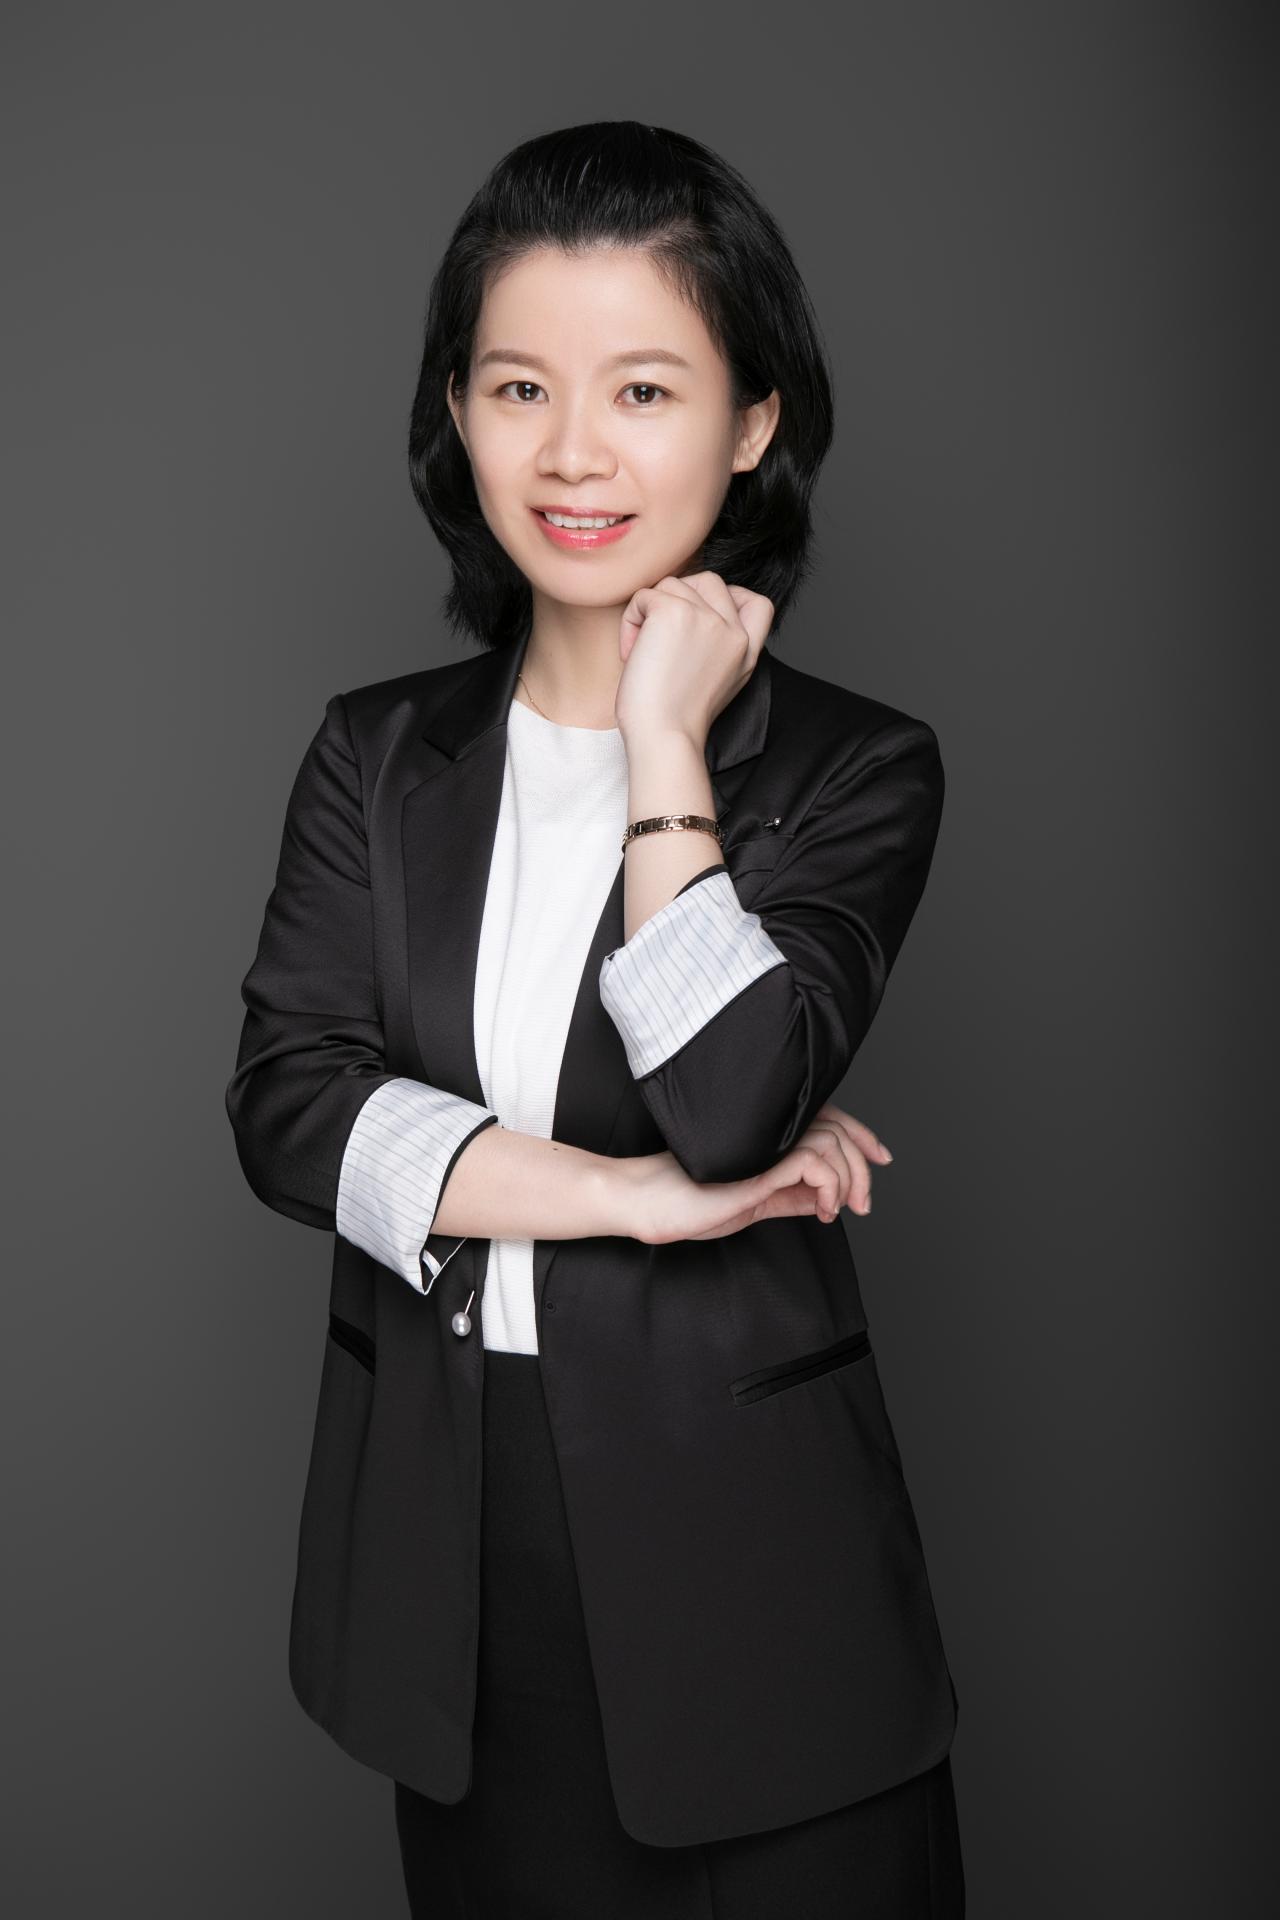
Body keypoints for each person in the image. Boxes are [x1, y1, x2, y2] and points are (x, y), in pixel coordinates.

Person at [227, 119, 965, 1917]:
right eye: (517, 388)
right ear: (456, 412)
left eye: (644, 390)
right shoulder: (376, 754)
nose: (571, 453)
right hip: (458, 1568)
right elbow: (291, 1108)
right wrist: (624, 1201)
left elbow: (729, 1104)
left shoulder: (855, 768)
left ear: (753, 421)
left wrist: (660, 744)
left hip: (758, 1580)